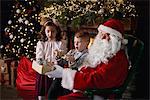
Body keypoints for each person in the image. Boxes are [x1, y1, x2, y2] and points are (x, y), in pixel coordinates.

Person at [45, 18, 129, 99]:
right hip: (87, 90)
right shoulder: (105, 54)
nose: (102, 37)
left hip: (96, 94)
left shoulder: (118, 59)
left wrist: (64, 73)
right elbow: (90, 70)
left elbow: (98, 79)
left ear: (115, 39)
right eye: (101, 34)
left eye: (107, 35)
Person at [47, 29, 90, 99]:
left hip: (73, 80)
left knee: (61, 91)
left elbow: (81, 70)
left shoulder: (87, 56)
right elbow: (61, 62)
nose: (76, 44)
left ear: (87, 43)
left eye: (79, 42)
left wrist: (73, 62)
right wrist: (59, 56)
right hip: (63, 76)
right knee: (53, 88)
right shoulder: (72, 51)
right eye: (75, 42)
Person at [35, 17, 67, 100]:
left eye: (53, 31)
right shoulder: (41, 43)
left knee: (53, 93)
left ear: (57, 32)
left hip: (56, 69)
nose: (50, 34)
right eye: (48, 31)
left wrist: (58, 55)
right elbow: (39, 57)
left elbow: (63, 57)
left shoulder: (60, 43)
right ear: (44, 31)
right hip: (44, 69)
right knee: (42, 90)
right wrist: (46, 64)